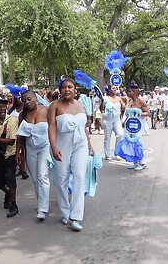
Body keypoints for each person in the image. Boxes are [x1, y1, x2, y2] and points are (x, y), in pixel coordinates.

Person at [48, 78, 94, 231]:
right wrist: (53, 147)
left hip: (80, 145)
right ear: (59, 90)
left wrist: (90, 146)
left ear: (75, 88)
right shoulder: (54, 106)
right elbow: (52, 127)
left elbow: (85, 128)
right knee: (62, 180)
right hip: (62, 145)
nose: (67, 89)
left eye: (70, 87)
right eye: (63, 87)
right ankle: (65, 212)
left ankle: (75, 217)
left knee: (80, 177)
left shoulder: (81, 105)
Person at [16, 90, 50, 220]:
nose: (27, 102)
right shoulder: (22, 115)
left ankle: (43, 209)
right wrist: (18, 152)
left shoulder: (47, 110)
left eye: (29, 99)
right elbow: (20, 135)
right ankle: (41, 203)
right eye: (24, 100)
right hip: (30, 149)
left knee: (43, 176)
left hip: (44, 147)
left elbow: (54, 129)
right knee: (35, 179)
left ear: (36, 98)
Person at [101, 85, 125, 160]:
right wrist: (102, 102)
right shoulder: (105, 98)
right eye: (113, 88)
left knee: (120, 134)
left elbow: (123, 107)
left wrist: (124, 104)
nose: (115, 89)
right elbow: (101, 108)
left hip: (116, 120)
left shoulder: (119, 98)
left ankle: (117, 152)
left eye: (115, 88)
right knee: (107, 137)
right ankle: (107, 154)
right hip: (107, 120)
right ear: (109, 89)